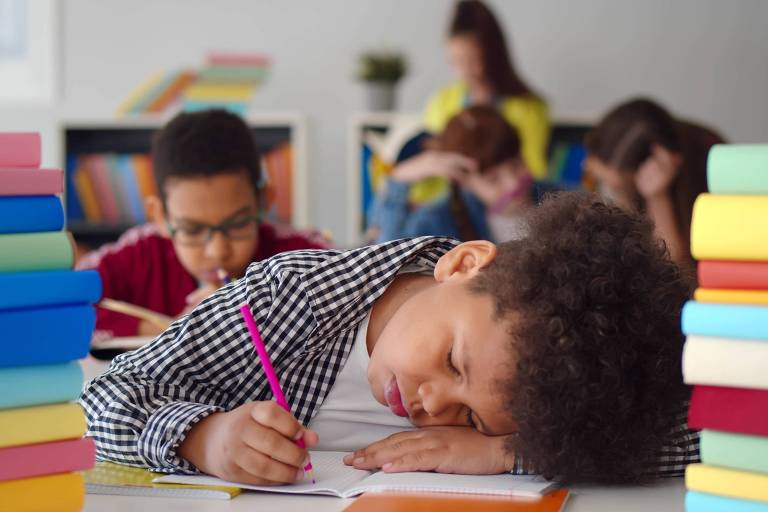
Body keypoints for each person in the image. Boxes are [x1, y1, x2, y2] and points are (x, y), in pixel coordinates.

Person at [81, 192, 698, 485]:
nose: (434, 405)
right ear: (461, 265)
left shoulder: (529, 411)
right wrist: (202, 436)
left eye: (476, 419)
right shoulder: (289, 300)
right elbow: (104, 400)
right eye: (452, 361)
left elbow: (716, 440)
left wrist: (508, 452)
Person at [77, 109, 327, 337]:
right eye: (192, 229)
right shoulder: (140, 254)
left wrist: (262, 317)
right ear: (160, 216)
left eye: (238, 225)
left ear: (263, 202)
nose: (217, 251)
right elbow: (64, 302)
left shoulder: (300, 253)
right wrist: (171, 326)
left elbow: (348, 303)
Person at [408, 0, 549, 205]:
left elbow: (532, 172)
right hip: (448, 204)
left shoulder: (528, 108)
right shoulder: (441, 101)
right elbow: (431, 166)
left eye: (471, 60)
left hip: (502, 203)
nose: (464, 71)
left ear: (492, 56)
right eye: (455, 61)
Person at [370, 106, 556, 243]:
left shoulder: (564, 199)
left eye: (517, 165)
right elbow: (390, 265)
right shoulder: (436, 222)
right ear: (463, 181)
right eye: (493, 179)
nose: (513, 183)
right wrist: (398, 180)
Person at [583, 98, 725, 271]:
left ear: (648, 171)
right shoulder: (612, 168)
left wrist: (658, 198)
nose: (607, 191)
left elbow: (673, 273)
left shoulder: (709, 170)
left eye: (614, 186)